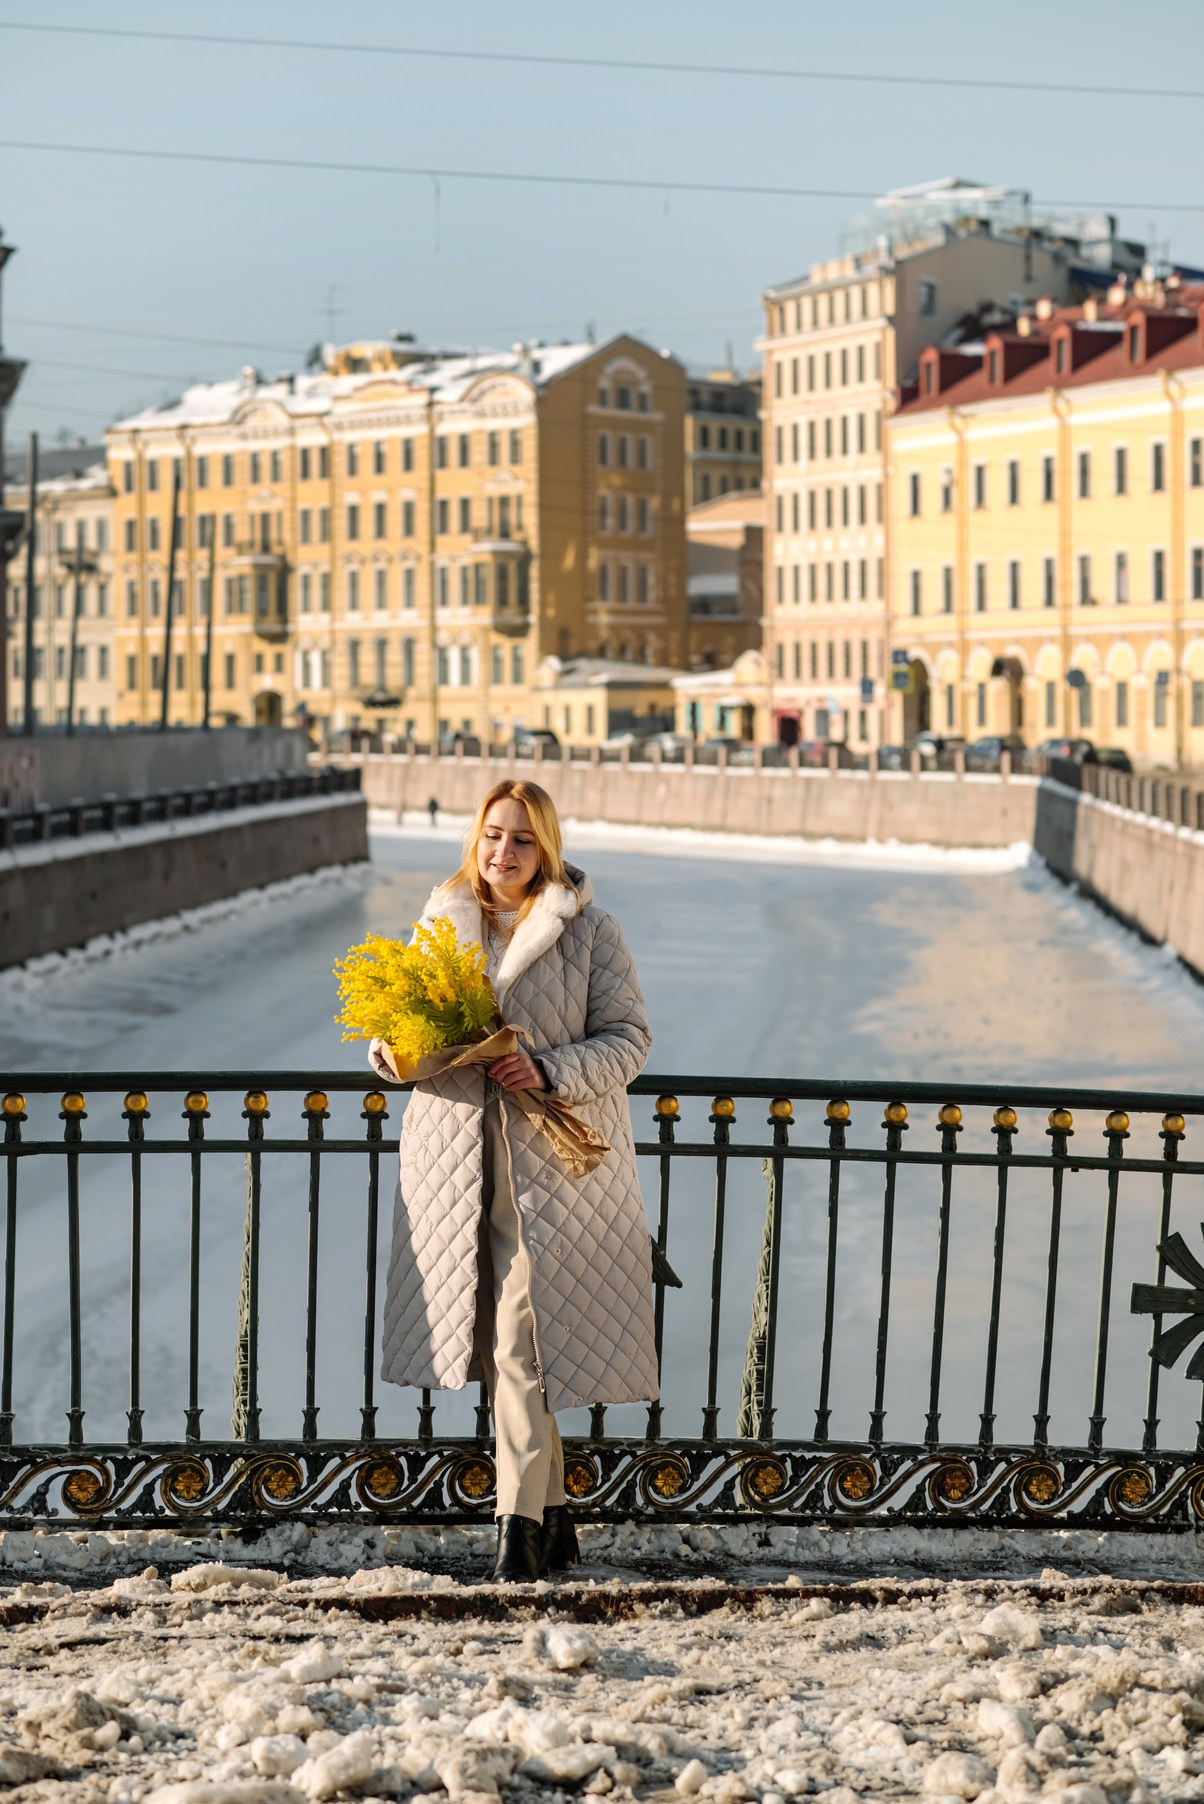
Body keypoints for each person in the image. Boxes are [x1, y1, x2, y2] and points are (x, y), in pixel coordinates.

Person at [368, 778, 658, 1583]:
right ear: (476, 839)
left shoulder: (590, 931)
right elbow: (395, 1029)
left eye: (523, 839)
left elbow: (630, 1040)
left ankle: (516, 1533)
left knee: (522, 1345)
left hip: (554, 1173)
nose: (504, 851)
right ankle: (555, 1519)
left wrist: (549, 1069)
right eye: (494, 835)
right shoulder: (442, 921)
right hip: (457, 1167)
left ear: (547, 848)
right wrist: (390, 1054)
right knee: (505, 1352)